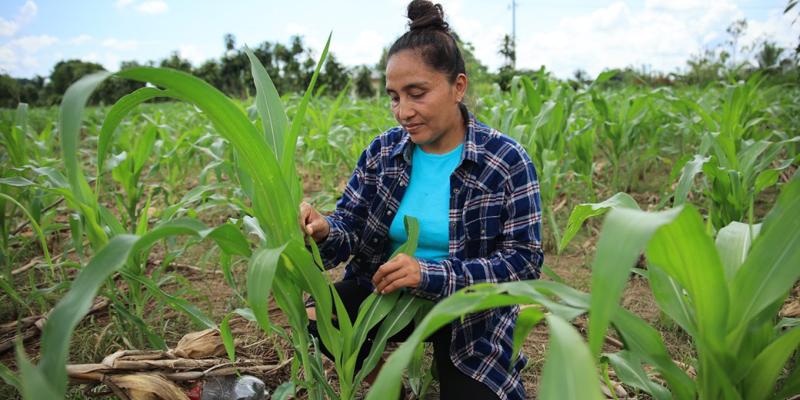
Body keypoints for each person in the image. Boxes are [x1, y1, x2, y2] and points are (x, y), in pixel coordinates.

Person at [299, 1, 543, 399]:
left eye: (417, 94)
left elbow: (524, 263)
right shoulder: (384, 152)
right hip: (387, 297)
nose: (403, 112)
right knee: (318, 311)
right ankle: (387, 384)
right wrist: (325, 229)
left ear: (458, 87)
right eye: (395, 97)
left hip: (468, 313)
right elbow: (350, 229)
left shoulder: (505, 161)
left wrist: (428, 273)